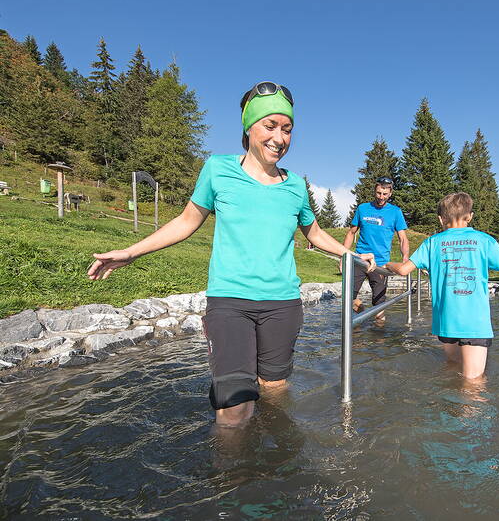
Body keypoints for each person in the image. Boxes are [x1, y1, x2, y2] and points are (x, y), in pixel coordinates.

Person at [87, 81, 376, 427]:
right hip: (230, 301)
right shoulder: (218, 169)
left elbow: (313, 232)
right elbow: (186, 221)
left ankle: (271, 467)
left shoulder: (296, 185)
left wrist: (351, 254)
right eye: (270, 126)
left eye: (287, 129)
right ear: (248, 126)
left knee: (274, 389)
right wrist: (132, 252)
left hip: (282, 304)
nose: (279, 138)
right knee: (234, 405)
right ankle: (232, 476)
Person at [385, 192, 499, 379]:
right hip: (475, 323)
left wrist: (387, 264)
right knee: (473, 382)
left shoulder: (431, 243)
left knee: (452, 368)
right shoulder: (484, 240)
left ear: (441, 219)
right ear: (470, 216)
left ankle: (447, 406)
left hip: (446, 321)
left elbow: (404, 270)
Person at [342, 177, 409, 322]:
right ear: (375, 191)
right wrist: (343, 256)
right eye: (379, 193)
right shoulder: (363, 208)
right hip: (360, 259)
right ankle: (360, 312)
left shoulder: (395, 212)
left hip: (380, 264)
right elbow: (351, 232)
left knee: (379, 307)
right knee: (347, 298)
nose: (381, 197)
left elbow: (403, 238)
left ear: (390, 193)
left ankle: (379, 339)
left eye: (385, 194)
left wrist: (405, 258)